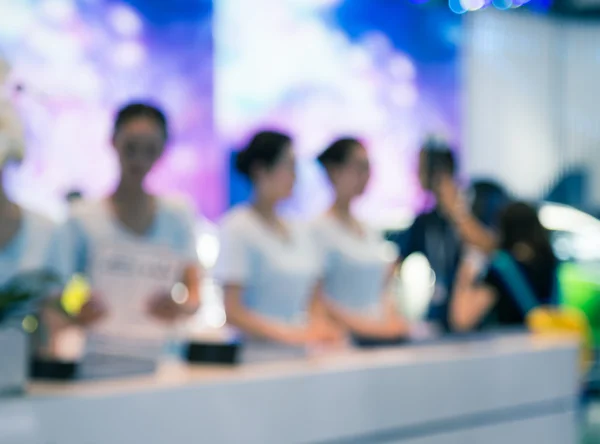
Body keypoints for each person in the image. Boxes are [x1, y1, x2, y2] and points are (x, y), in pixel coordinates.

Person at [51, 103, 201, 356]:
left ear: (162, 150)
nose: (139, 160)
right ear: (113, 142)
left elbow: (195, 292)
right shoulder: (83, 217)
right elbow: (56, 292)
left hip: (163, 356)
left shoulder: (178, 215)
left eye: (149, 149)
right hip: (98, 355)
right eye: (131, 148)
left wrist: (180, 307)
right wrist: (78, 309)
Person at [214, 130, 339, 363]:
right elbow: (233, 311)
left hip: (303, 356)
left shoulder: (300, 229)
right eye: (288, 166)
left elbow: (315, 298)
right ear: (260, 170)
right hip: (255, 360)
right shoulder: (237, 227)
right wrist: (290, 334)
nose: (294, 176)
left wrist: (318, 329)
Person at [313, 138, 408, 347]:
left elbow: (382, 289)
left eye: (368, 167)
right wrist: (368, 328)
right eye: (359, 167)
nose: (366, 175)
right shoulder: (317, 230)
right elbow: (316, 299)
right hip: (342, 342)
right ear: (334, 171)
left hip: (380, 338)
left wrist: (391, 322)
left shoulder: (369, 229)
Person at [393, 139, 495, 331]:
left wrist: (456, 211)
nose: (417, 175)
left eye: (421, 168)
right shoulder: (425, 221)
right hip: (440, 316)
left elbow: (489, 246)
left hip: (476, 316)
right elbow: (396, 259)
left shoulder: (478, 203)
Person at [450, 202, 559, 331]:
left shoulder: (501, 269)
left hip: (512, 346)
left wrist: (465, 274)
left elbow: (462, 320)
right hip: (547, 344)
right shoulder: (548, 262)